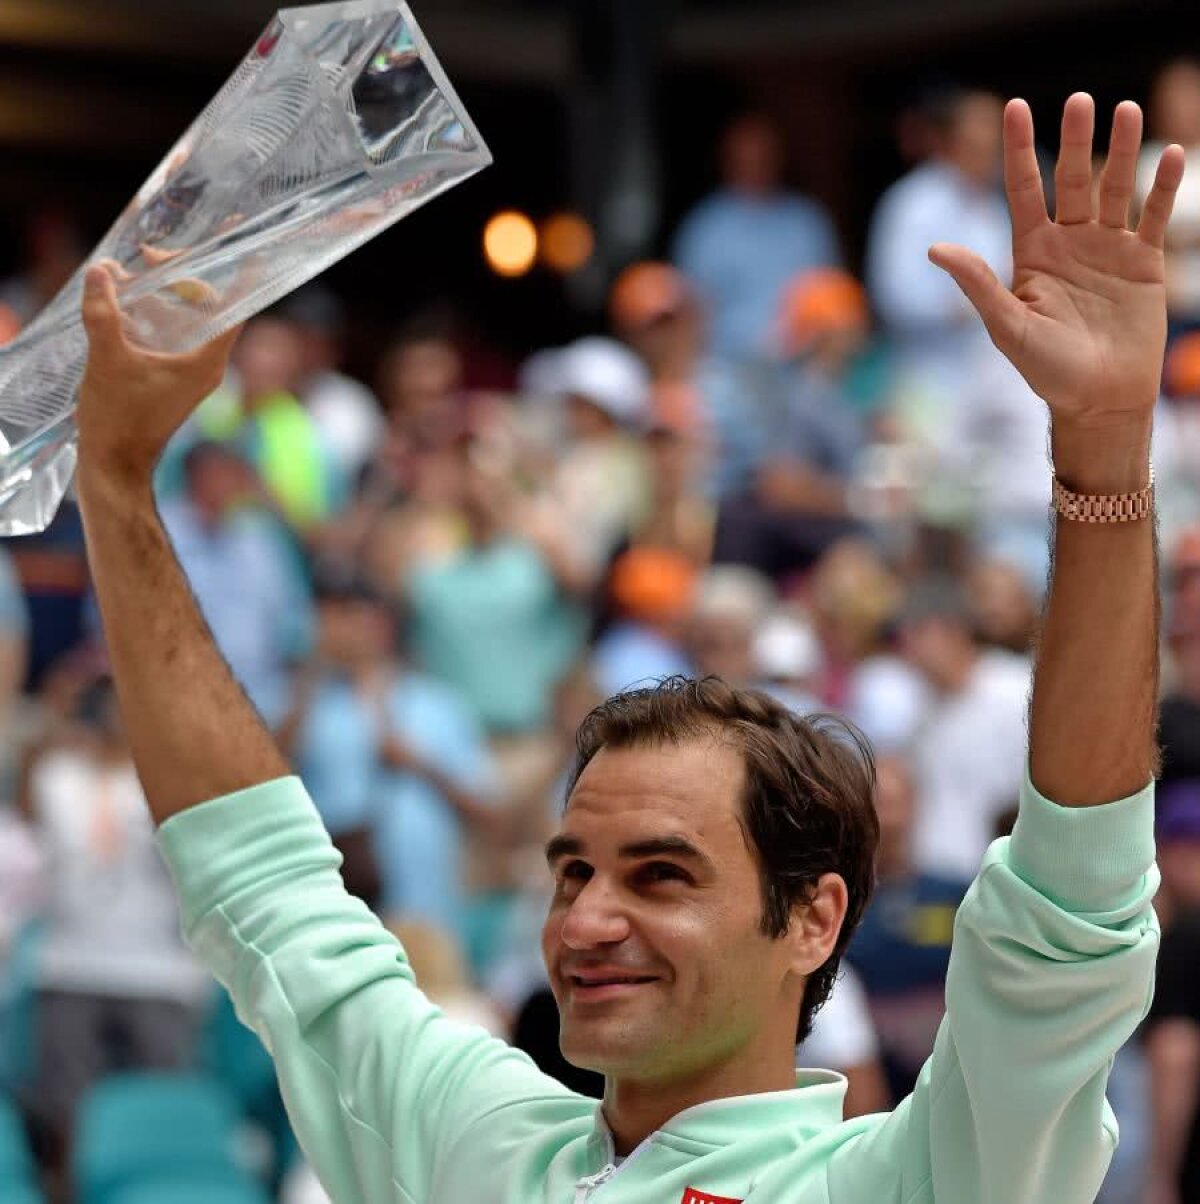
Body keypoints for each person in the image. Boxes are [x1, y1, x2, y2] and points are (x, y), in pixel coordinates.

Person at [72, 93, 1178, 1204]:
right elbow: (261, 881)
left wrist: (1103, 455)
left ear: (812, 918)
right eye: (572, 873)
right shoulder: (476, 1143)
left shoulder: (908, 1178)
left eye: (661, 874)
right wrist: (116, 485)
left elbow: (1069, 912)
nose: (588, 922)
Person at [673, 112, 842, 361]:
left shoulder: (806, 221)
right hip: (727, 371)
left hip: (802, 369)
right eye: (747, 156)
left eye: (764, 155)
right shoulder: (705, 228)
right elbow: (687, 312)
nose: (756, 164)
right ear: (728, 160)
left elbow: (835, 300)